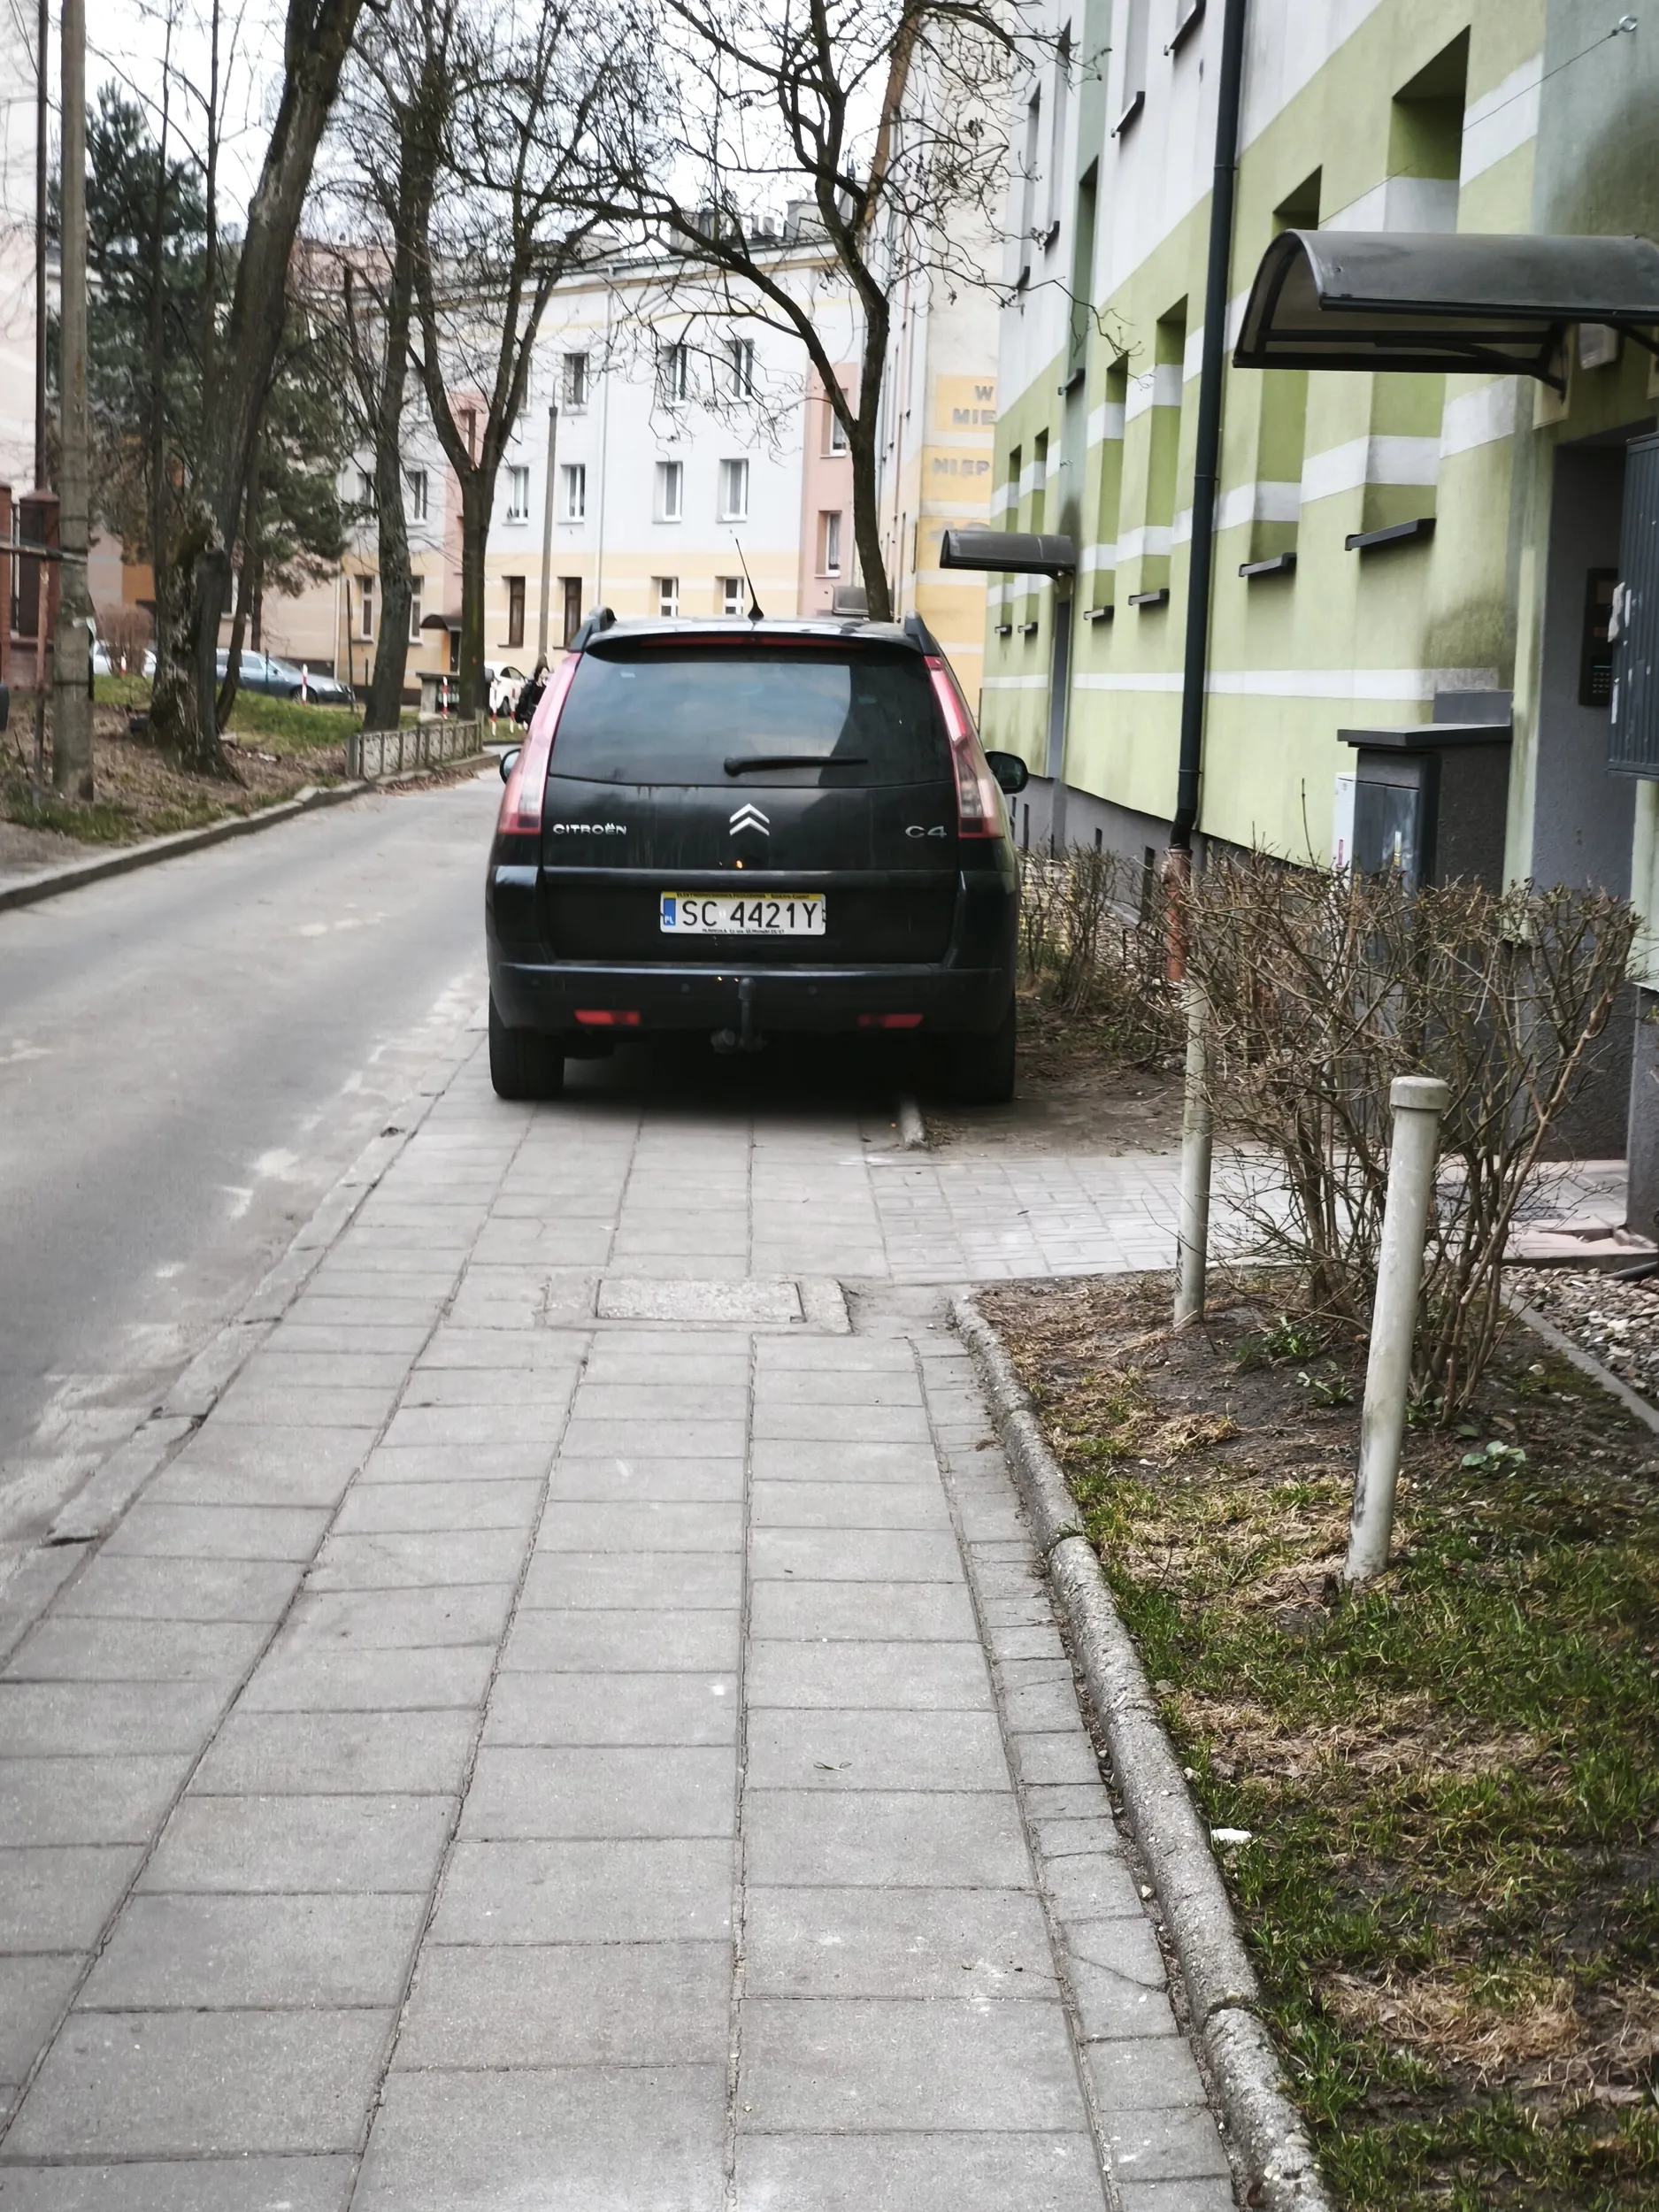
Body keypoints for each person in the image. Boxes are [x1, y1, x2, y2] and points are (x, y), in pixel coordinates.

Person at [513, 661, 548, 725]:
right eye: (544, 672)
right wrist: (526, 710)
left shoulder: (545, 687)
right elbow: (522, 697)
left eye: (547, 672)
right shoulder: (531, 685)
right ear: (539, 673)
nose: (546, 673)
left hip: (539, 714)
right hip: (530, 714)